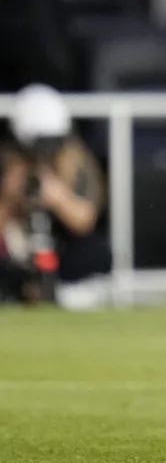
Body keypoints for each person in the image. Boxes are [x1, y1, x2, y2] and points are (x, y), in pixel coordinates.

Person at [0, 84, 110, 306]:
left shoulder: (75, 159)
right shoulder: (7, 163)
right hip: (16, 253)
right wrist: (10, 198)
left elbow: (85, 220)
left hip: (61, 248)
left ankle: (65, 293)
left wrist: (58, 197)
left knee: (97, 253)